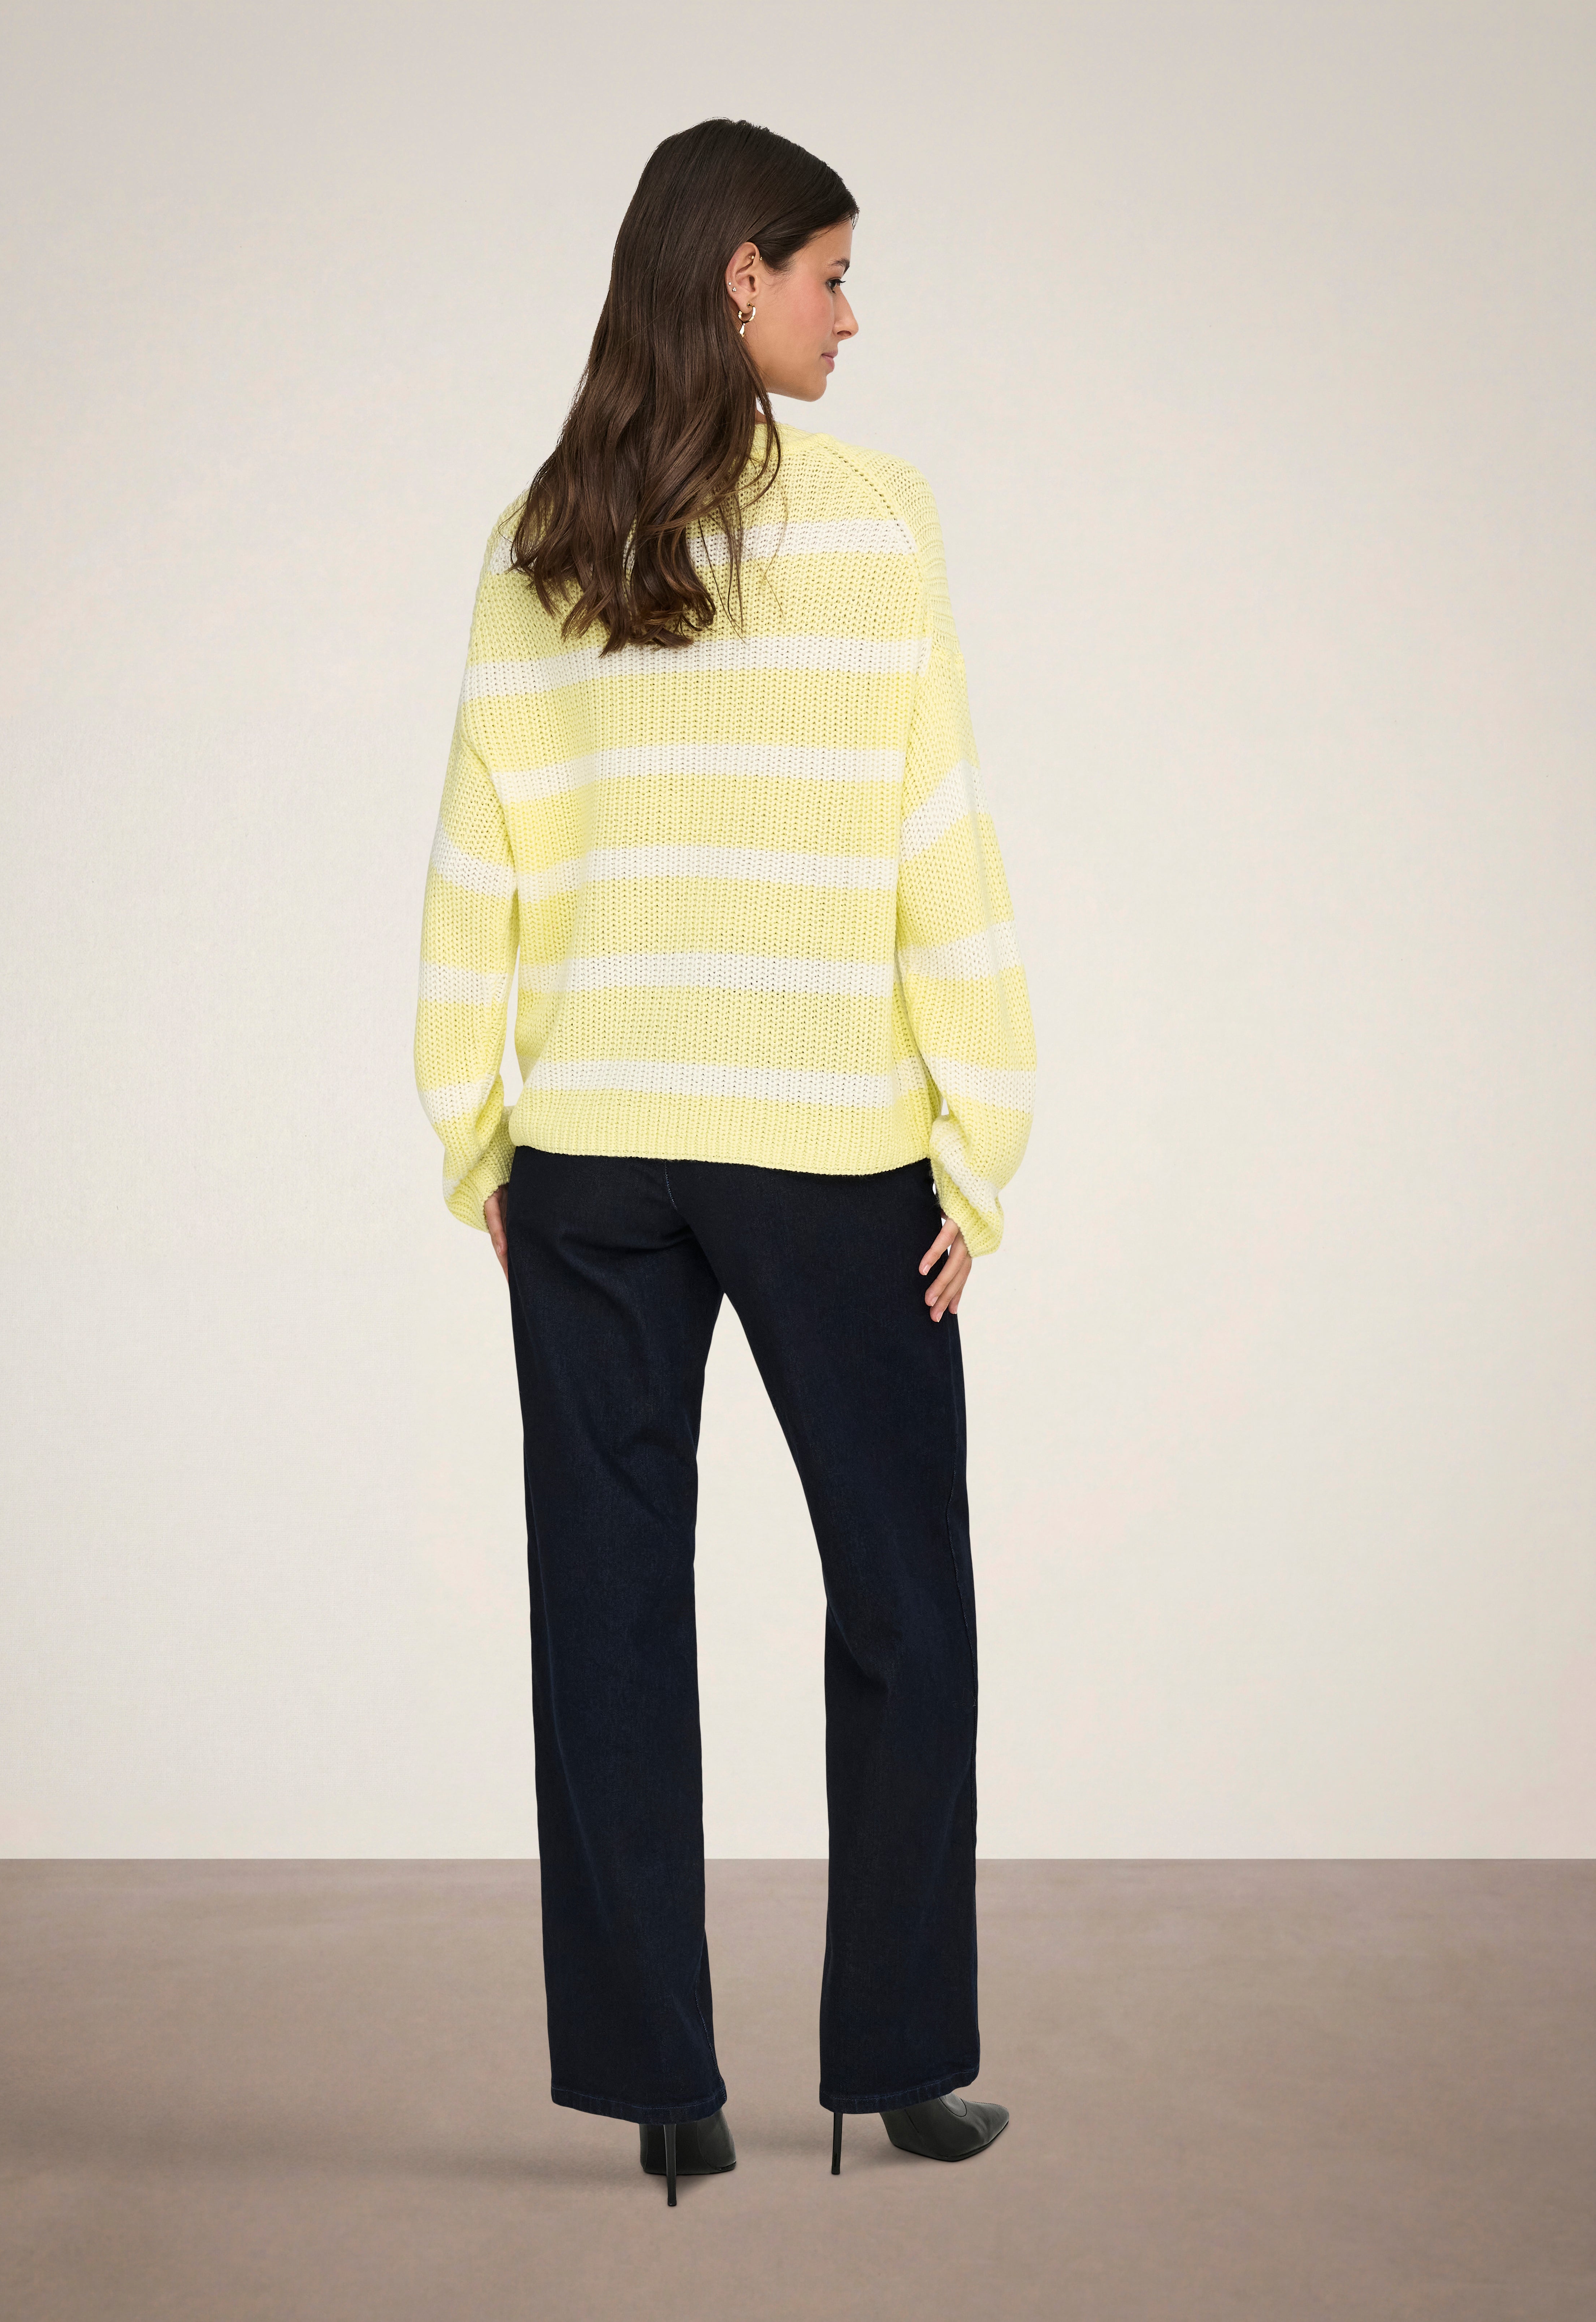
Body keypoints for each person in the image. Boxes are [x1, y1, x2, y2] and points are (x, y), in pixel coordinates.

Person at [413, 117, 1036, 2206]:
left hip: (591, 1153)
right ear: (738, 277)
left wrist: (476, 1129)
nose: (854, 319)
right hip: (820, 1146)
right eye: (832, 277)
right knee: (904, 1597)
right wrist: (981, 1133)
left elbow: (477, 856)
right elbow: (938, 832)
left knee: (606, 1609)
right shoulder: (873, 522)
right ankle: (897, 2067)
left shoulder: (540, 533)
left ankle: (663, 2091)